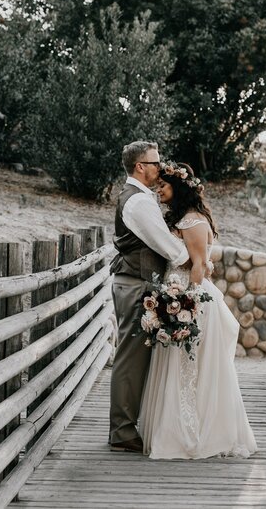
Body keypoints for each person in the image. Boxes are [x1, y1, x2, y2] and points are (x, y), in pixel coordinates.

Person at [138, 161, 257, 459]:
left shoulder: (194, 221)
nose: (159, 191)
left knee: (190, 367)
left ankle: (192, 434)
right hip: (173, 295)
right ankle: (172, 428)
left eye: (163, 186)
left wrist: (187, 305)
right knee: (175, 366)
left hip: (190, 300)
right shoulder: (181, 218)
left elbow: (200, 266)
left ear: (177, 188)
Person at [107, 141, 189, 453]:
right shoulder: (138, 202)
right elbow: (167, 246)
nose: (160, 167)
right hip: (135, 283)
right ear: (140, 166)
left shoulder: (140, 197)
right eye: (155, 162)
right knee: (130, 358)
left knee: (135, 357)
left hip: (138, 281)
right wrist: (196, 258)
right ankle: (122, 431)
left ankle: (127, 425)